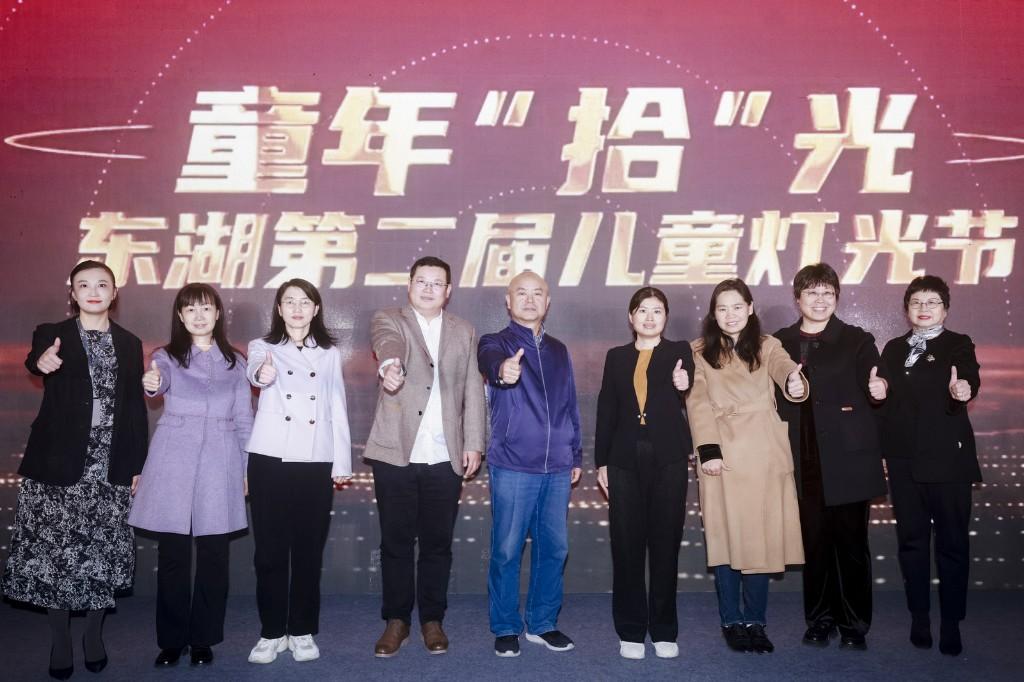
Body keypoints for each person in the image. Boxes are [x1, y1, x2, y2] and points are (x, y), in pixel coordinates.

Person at [1, 260, 148, 680]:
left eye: (102, 284)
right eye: (84, 285)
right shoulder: (52, 333)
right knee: (56, 556)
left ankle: (94, 636)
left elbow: (135, 409)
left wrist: (138, 464)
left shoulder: (130, 342)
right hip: (58, 464)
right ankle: (60, 639)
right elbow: (37, 361)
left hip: (109, 463)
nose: (93, 291)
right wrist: (42, 361)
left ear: (114, 293)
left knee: (101, 553)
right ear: (72, 292)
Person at [364, 256, 486, 657]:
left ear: (448, 291)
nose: (429, 289)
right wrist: (390, 366)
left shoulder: (464, 330)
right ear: (409, 284)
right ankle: (396, 621)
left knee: (437, 544)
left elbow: (473, 389)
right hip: (395, 452)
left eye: (437, 283)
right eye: (422, 281)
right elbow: (388, 344)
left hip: (444, 454)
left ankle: (432, 619)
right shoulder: (390, 319)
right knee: (396, 542)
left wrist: (474, 442)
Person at [128, 283, 253, 667]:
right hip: (174, 459)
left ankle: (203, 640)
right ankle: (171, 641)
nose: (199, 315)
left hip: (221, 458)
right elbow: (158, 379)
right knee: (173, 555)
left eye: (206, 308)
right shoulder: (165, 357)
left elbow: (244, 418)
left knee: (214, 555)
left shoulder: (236, 363)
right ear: (180, 316)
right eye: (191, 309)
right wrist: (152, 383)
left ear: (218, 314)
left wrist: (246, 467)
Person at [685, 278, 807, 655]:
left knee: (761, 539)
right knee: (725, 539)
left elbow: (784, 368)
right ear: (713, 313)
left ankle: (756, 620)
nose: (730, 315)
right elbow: (697, 401)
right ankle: (731, 621)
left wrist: (794, 381)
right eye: (722, 308)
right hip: (721, 452)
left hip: (765, 451)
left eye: (737, 306)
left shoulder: (768, 345)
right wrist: (709, 450)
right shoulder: (699, 351)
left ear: (750, 308)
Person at [773, 263, 888, 650]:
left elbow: (875, 375)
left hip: (847, 459)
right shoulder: (780, 341)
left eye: (827, 293)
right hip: (802, 458)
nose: (820, 300)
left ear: (837, 297)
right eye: (812, 292)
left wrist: (879, 386)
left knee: (852, 547)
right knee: (815, 546)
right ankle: (819, 620)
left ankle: (854, 626)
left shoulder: (857, 339)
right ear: (798, 298)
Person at [244, 278, 353, 664]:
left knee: (308, 551)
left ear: (316, 309)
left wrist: (341, 462)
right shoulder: (263, 347)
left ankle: (303, 629)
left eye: (304, 302)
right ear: (278, 308)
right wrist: (262, 375)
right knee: (269, 553)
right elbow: (255, 372)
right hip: (270, 457)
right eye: (289, 301)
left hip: (315, 459)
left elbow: (337, 406)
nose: (296, 308)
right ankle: (271, 631)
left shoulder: (329, 353)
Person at [477, 270, 582, 658]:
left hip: (557, 466)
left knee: (554, 549)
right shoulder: (495, 342)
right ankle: (505, 626)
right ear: (508, 301)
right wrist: (503, 371)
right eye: (521, 293)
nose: (530, 299)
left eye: (537, 293)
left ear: (548, 302)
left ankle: (543, 623)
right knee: (506, 550)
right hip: (513, 464)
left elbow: (570, 403)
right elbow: (491, 363)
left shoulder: (559, 349)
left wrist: (575, 454)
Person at [878, 275, 981, 656]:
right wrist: (878, 392)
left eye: (932, 301)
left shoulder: (958, 344)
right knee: (912, 542)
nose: (924, 308)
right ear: (906, 309)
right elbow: (883, 394)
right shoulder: (893, 348)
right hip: (903, 459)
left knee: (952, 544)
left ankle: (951, 622)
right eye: (916, 302)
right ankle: (919, 617)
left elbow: (968, 377)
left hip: (948, 459)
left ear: (945, 308)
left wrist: (963, 388)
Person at [595, 287, 694, 660]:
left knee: (666, 544)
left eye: (657, 311)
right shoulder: (616, 356)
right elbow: (607, 408)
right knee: (626, 545)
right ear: (631, 317)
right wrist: (601, 462)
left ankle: (664, 629)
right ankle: (631, 630)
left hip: (668, 457)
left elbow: (688, 380)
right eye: (642, 310)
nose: (650, 317)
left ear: (666, 317)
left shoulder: (679, 351)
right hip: (623, 457)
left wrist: (684, 382)